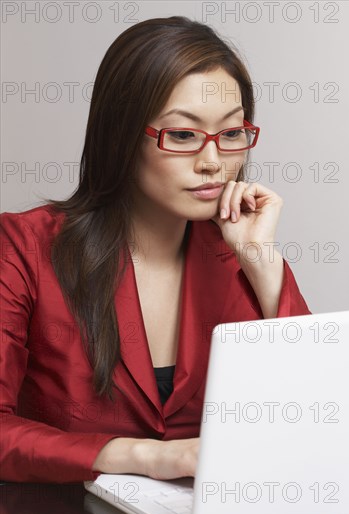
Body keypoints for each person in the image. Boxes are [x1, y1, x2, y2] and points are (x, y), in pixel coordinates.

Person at [0, 16, 311, 483]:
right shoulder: (25, 248)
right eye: (183, 135)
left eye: (231, 134)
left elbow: (315, 422)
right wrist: (143, 456)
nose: (213, 163)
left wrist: (265, 268)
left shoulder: (239, 255)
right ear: (122, 136)